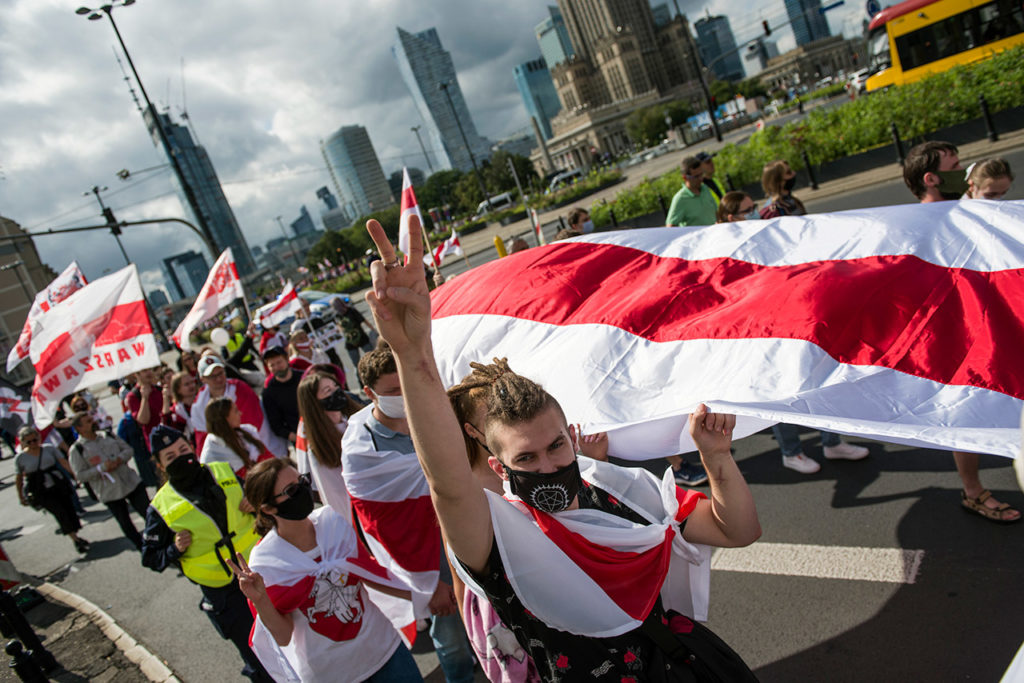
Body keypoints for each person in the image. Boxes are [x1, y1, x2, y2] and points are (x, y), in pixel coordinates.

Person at [361, 216, 761, 681]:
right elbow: (448, 484)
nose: (548, 465)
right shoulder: (501, 536)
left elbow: (738, 530)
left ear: (572, 437)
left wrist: (716, 457)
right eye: (526, 458)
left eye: (555, 446)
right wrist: (412, 355)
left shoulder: (622, 490)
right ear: (498, 465)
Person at [341, 344, 476, 683]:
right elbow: (383, 529)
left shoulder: (432, 412)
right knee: (452, 641)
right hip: (430, 564)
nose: (403, 396)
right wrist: (428, 585)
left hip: (468, 535)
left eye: (404, 385)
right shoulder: (363, 453)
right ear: (369, 393)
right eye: (391, 392)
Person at [904, 140, 1020, 523]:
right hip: (958, 333)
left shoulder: (966, 211)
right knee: (966, 411)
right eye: (954, 165)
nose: (963, 170)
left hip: (992, 319)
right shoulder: (914, 226)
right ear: (932, 177)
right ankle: (973, 491)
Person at [227, 458, 423, 683]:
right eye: (292, 490)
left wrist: (423, 597)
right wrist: (261, 601)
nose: (302, 490)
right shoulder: (265, 562)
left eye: (302, 481)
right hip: (332, 674)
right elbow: (283, 636)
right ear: (268, 508)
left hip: (384, 652)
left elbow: (369, 572)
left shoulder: (331, 522)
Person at [717, 192, 870, 474]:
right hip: (760, 333)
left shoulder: (761, 236)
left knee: (817, 380)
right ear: (731, 218)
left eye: (755, 208)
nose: (756, 213)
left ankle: (831, 441)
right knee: (777, 392)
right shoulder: (724, 251)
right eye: (748, 210)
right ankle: (791, 452)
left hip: (788, 321)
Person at [141, 425, 273, 682]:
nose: (180, 457)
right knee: (259, 658)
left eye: (183, 449)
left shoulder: (223, 471)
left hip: (262, 570)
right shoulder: (161, 505)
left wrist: (255, 503)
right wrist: (174, 549)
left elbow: (265, 507)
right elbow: (150, 558)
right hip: (225, 594)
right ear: (160, 465)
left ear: (191, 445)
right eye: (170, 457)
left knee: (295, 637)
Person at [68, 412, 149, 549]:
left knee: (148, 514)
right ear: (79, 428)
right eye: (88, 421)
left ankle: (161, 540)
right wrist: (101, 468)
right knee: (125, 522)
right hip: (110, 492)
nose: (92, 422)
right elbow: (80, 475)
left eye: (92, 419)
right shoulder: (77, 450)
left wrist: (119, 459)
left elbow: (128, 450)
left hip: (130, 481)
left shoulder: (107, 435)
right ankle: (143, 547)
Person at [295, 370, 362, 516]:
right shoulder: (319, 448)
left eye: (335, 387)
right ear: (314, 402)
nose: (337, 392)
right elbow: (335, 497)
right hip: (358, 514)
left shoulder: (355, 420)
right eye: (328, 391)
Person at [15, 426, 89, 553]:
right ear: (23, 443)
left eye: (35, 440)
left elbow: (63, 462)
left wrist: (75, 475)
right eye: (29, 442)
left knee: (69, 509)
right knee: (59, 513)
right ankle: (75, 540)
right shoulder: (20, 458)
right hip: (40, 490)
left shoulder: (49, 448)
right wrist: (21, 496)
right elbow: (19, 478)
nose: (33, 443)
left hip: (58, 484)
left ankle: (74, 531)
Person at [191, 355, 280, 456]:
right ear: (203, 379)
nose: (219, 378)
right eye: (213, 376)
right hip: (226, 453)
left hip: (260, 442)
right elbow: (202, 435)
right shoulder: (198, 405)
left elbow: (253, 421)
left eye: (221, 373)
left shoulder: (240, 388)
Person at [201, 397, 275, 479]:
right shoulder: (213, 452)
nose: (240, 413)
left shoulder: (247, 432)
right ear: (225, 419)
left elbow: (270, 459)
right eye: (236, 411)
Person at [260, 347, 301, 448]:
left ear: (287, 359)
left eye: (279, 362)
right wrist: (296, 438)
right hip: (300, 438)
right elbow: (276, 424)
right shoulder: (268, 393)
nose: (276, 367)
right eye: (272, 365)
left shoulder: (304, 378)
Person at [666, 155, 718, 227]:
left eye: (701, 174)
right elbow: (670, 227)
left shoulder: (705, 188)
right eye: (696, 176)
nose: (700, 179)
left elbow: (716, 213)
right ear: (685, 177)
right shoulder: (680, 199)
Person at [331, 297, 376, 374]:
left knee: (372, 358)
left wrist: (373, 329)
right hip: (349, 341)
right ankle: (361, 380)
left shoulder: (351, 311)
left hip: (361, 337)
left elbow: (363, 320)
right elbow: (339, 328)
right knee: (357, 364)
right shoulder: (336, 316)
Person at [126, 367, 167, 449]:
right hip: (156, 441)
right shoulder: (133, 396)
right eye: (144, 371)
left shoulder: (160, 389)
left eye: (149, 370)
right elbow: (143, 420)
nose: (149, 373)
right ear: (136, 375)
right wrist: (145, 398)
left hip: (171, 434)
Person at [163, 370, 198, 442]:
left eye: (192, 382)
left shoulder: (202, 400)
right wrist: (165, 398)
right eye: (186, 384)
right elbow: (168, 425)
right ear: (178, 389)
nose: (191, 386)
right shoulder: (176, 411)